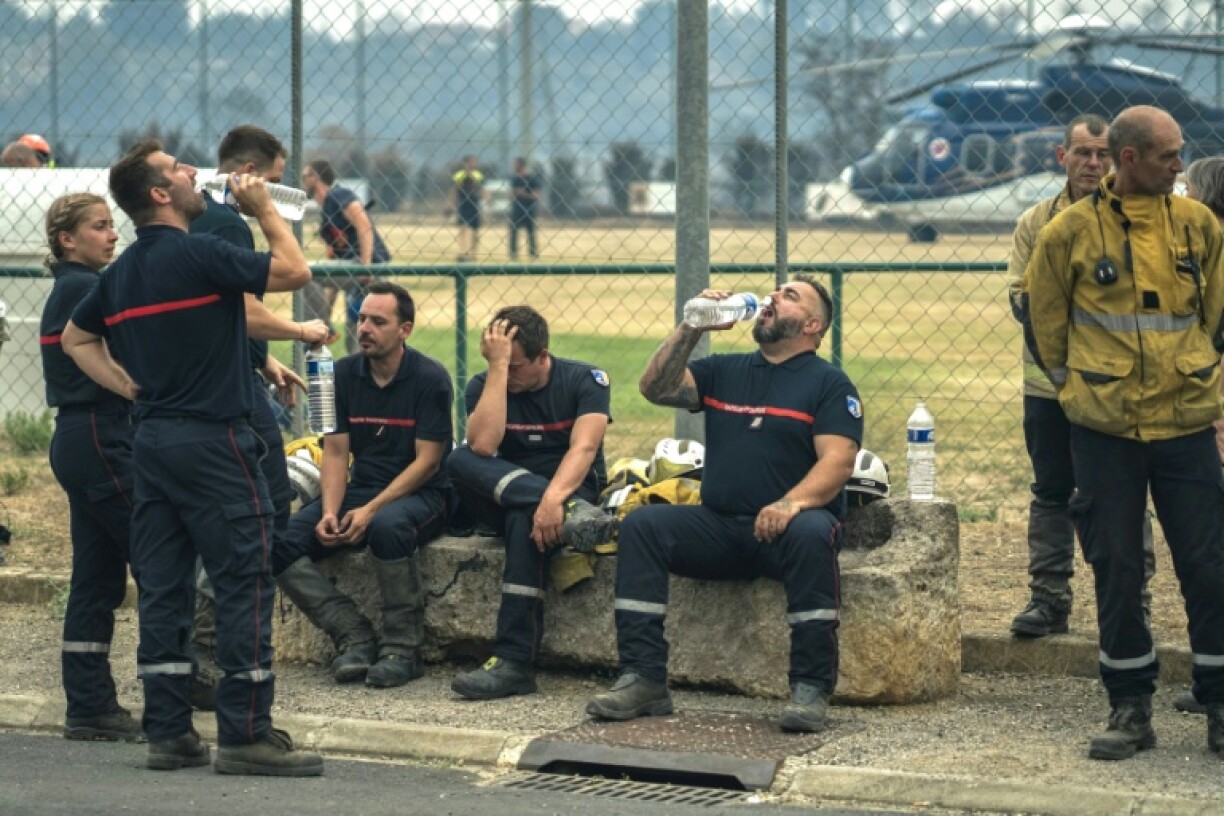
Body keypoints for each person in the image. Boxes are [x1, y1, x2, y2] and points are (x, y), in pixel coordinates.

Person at [61, 140, 322, 775]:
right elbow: (295, 272)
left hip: (151, 443)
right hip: (215, 442)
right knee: (243, 580)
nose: (190, 173)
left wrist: (128, 386)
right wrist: (265, 210)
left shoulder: (117, 276)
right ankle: (246, 734)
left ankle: (169, 733)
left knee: (164, 587)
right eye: (177, 168)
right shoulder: (202, 253)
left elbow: (75, 337)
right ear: (158, 194)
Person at [1025, 106, 1224, 762]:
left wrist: (1196, 372)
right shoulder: (1068, 234)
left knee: (1209, 565)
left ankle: (1219, 705)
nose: (1180, 163)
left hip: (1186, 424)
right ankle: (1130, 705)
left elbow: (1217, 317)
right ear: (1129, 158)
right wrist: (1081, 389)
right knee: (1116, 564)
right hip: (1105, 430)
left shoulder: (1199, 226)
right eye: (1169, 155)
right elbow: (1046, 327)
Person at [586, 276, 861, 733]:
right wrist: (691, 327)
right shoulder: (726, 370)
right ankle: (644, 678)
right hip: (719, 527)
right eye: (775, 291)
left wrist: (791, 504)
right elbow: (655, 388)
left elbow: (839, 461)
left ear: (813, 324)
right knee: (644, 526)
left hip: (786, 533)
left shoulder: (829, 384)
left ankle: (810, 688)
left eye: (789, 296)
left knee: (815, 533)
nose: (773, 297)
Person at [187, 124, 331, 706]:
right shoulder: (224, 222)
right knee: (264, 507)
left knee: (245, 513)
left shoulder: (203, 218)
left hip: (224, 380)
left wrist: (265, 360)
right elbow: (242, 307)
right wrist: (299, 331)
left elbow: (217, 310)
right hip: (228, 396)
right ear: (248, 172)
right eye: (273, 181)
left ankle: (204, 642)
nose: (277, 193)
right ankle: (216, 641)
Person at [1006, 114, 1155, 638]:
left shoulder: (1138, 220)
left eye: (1103, 155)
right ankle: (1048, 599)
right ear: (1060, 157)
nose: (1093, 164)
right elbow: (1025, 305)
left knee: (1124, 494)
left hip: (1118, 394)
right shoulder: (1035, 224)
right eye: (1083, 153)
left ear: (1118, 159)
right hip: (1048, 390)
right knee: (1051, 492)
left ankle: (1134, 605)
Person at [272, 281, 453, 689]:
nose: (364, 328)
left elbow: (428, 463)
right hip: (362, 487)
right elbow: (335, 453)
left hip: (424, 494)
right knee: (276, 541)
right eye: (361, 319)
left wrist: (369, 512)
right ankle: (352, 634)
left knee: (388, 528)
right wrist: (332, 512)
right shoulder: (342, 374)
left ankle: (403, 649)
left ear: (404, 329)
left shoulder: (430, 379)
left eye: (378, 321)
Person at [448, 305, 618, 700]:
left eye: (515, 367)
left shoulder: (585, 379)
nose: (507, 377)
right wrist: (498, 369)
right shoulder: (489, 383)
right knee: (459, 458)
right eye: (500, 366)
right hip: (519, 495)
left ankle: (513, 663)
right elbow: (483, 447)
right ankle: (567, 514)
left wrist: (555, 499)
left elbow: (585, 447)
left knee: (522, 522)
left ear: (543, 356)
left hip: (571, 490)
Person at [38, 193, 141, 743]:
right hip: (102, 433)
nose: (112, 235)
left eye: (112, 225)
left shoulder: (69, 287)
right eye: (99, 227)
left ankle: (89, 704)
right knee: (156, 556)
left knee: (97, 576)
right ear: (67, 240)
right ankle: (177, 687)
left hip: (78, 438)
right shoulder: (85, 288)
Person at [302, 158, 390, 353]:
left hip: (366, 265)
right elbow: (335, 263)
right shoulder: (326, 213)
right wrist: (327, 313)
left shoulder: (338, 194)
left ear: (316, 178)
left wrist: (366, 266)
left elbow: (363, 223)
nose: (303, 181)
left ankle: (318, 329)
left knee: (305, 273)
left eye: (305, 176)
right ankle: (323, 330)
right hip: (352, 269)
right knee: (356, 340)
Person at [448, 155, 486, 262]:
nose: (472, 164)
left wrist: (486, 198)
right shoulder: (459, 175)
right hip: (463, 205)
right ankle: (463, 252)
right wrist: (450, 203)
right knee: (462, 228)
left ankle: (474, 253)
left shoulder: (478, 175)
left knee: (475, 230)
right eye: (469, 162)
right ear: (464, 164)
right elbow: (454, 189)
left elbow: (481, 189)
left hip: (474, 205)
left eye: (473, 162)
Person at [508, 157, 541, 260]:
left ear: (521, 165)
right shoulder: (515, 179)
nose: (514, 167)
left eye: (516, 164)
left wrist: (523, 194)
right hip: (516, 209)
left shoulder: (531, 178)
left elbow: (536, 195)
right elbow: (513, 194)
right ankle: (513, 254)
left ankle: (533, 253)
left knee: (531, 232)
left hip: (529, 209)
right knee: (513, 232)